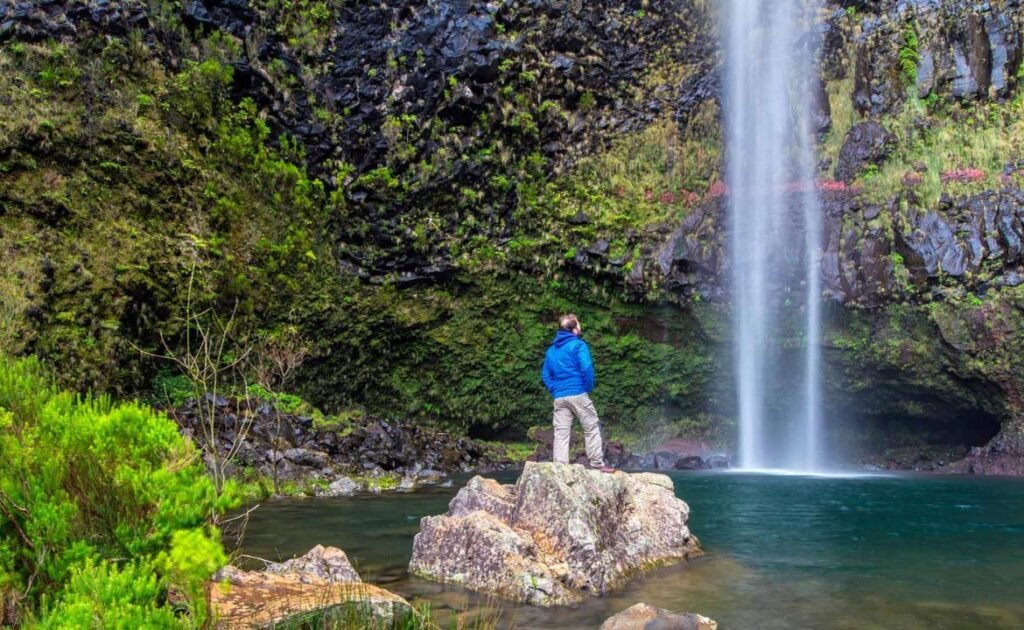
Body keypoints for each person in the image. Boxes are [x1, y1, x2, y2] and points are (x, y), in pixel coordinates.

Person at [540, 314, 615, 472]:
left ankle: (560, 468)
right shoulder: (579, 345)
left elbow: (545, 375)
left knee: (561, 432)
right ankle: (597, 463)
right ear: (574, 330)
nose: (580, 327)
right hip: (577, 392)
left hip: (559, 396)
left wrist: (555, 389)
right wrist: (587, 386)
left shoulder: (551, 351)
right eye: (578, 325)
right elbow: (587, 367)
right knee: (591, 426)